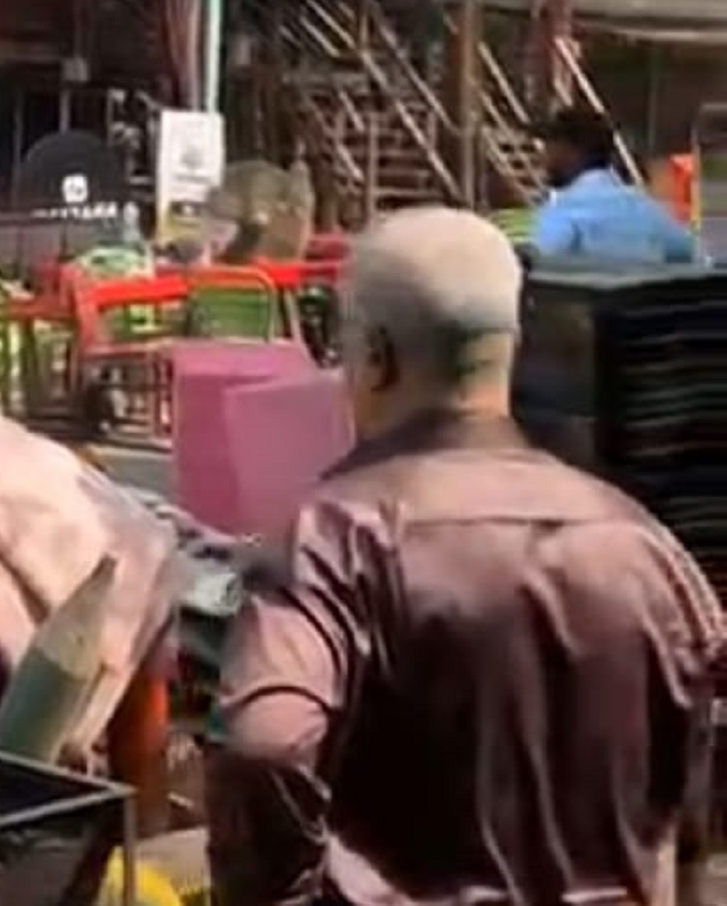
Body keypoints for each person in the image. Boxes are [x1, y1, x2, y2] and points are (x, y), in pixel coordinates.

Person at [207, 206, 723, 906]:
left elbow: (263, 745)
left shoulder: (332, 540)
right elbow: (688, 797)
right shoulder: (646, 546)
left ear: (378, 357)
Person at [531, 105, 698, 263]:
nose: (543, 157)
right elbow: (691, 252)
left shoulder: (563, 215)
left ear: (572, 152)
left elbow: (541, 271)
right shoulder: (647, 209)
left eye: (549, 147)